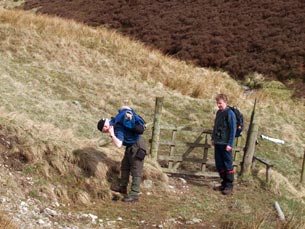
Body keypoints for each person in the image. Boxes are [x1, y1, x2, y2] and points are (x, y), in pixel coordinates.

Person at [97, 106, 146, 202]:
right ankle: (123, 187)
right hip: (130, 146)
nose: (106, 132)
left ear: (106, 127)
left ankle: (134, 194)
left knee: (136, 168)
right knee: (125, 166)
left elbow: (119, 144)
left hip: (137, 145)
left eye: (105, 131)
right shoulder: (117, 118)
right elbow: (125, 108)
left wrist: (112, 134)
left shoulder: (117, 128)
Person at [211, 94, 236, 195]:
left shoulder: (230, 113)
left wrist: (230, 143)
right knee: (219, 163)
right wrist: (213, 138)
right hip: (218, 142)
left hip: (226, 144)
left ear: (225, 102)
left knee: (227, 163)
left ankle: (229, 185)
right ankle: (224, 183)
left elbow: (233, 129)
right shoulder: (219, 113)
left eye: (220, 103)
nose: (218, 105)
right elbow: (215, 126)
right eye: (217, 103)